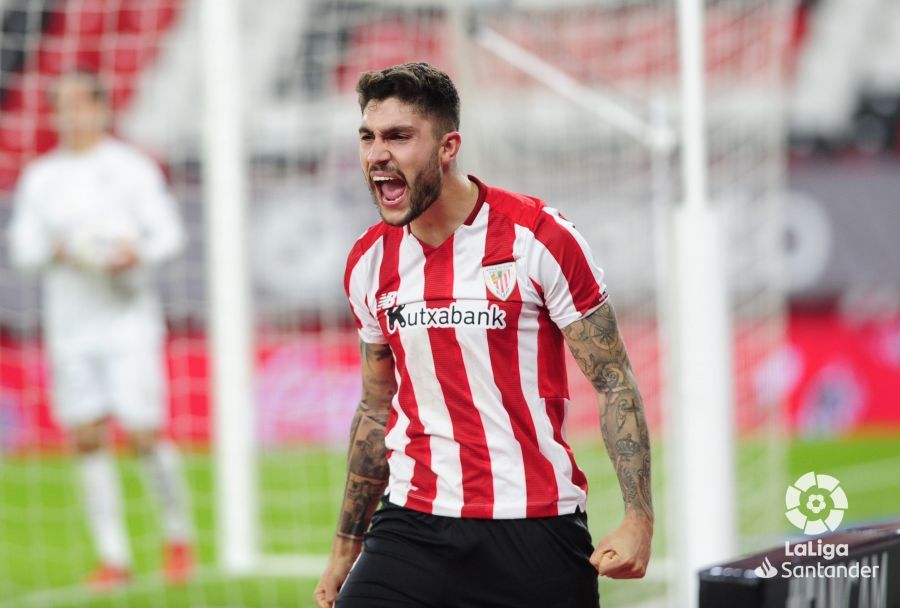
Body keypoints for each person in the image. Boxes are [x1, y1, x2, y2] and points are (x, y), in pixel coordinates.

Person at [314, 62, 653, 608]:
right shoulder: (368, 262)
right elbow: (377, 409)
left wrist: (638, 519)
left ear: (448, 147)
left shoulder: (539, 239)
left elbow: (613, 380)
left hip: (535, 528)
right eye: (368, 137)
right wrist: (343, 551)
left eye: (399, 136)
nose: (377, 154)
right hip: (412, 525)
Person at [7, 70, 194, 591]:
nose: (70, 114)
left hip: (128, 319)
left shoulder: (129, 168)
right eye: (60, 105)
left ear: (100, 108)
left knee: (142, 432)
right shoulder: (41, 177)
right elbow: (22, 252)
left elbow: (169, 234)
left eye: (78, 103)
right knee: (87, 437)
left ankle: (178, 539)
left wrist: (137, 252)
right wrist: (58, 248)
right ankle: (113, 556)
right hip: (70, 327)